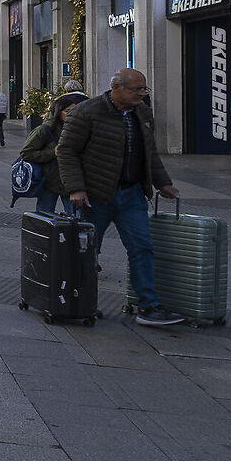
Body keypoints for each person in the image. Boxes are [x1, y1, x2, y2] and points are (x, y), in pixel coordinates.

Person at [55, 69, 185, 328]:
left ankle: (149, 306)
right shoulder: (86, 112)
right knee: (87, 252)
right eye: (137, 89)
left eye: (144, 89)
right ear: (116, 87)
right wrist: (76, 188)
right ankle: (81, 302)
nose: (142, 94)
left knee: (142, 247)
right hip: (95, 195)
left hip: (132, 194)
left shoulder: (142, 113)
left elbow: (150, 153)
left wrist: (163, 183)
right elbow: (66, 151)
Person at [17, 92, 88, 212]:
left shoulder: (79, 130)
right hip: (48, 182)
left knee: (76, 220)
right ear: (58, 112)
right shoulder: (44, 130)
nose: (72, 115)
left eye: (75, 111)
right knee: (44, 218)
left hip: (70, 183)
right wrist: (52, 152)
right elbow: (26, 153)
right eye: (68, 111)